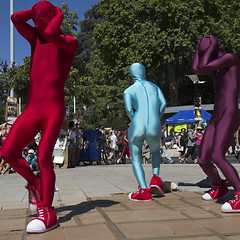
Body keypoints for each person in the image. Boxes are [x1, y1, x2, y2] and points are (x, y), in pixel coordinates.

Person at [0, 1, 78, 233]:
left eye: (42, 19)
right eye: (36, 20)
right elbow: (15, 19)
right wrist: (37, 14)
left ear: (54, 19)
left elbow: (52, 34)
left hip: (53, 109)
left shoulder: (69, 43)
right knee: (7, 152)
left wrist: (57, 16)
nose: (38, 24)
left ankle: (47, 211)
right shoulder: (37, 38)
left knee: (44, 157)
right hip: (33, 108)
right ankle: (34, 184)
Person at [192, 35, 240, 212]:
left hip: (230, 112)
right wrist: (199, 48)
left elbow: (202, 66)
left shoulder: (229, 58)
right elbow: (196, 68)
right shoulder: (215, 66)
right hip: (216, 115)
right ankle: (220, 186)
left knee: (218, 156)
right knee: (203, 159)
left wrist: (209, 47)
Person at [124, 63, 166, 201]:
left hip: (138, 123)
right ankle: (155, 178)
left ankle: (143, 190)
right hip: (154, 123)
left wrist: (134, 120)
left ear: (132, 74)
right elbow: (163, 104)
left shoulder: (129, 90)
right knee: (155, 151)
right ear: (144, 72)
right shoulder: (155, 87)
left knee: (135, 156)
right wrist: (156, 117)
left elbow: (129, 110)